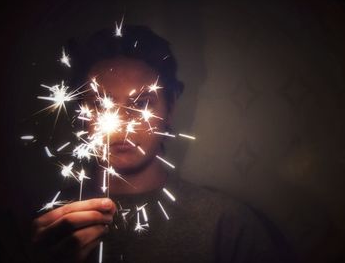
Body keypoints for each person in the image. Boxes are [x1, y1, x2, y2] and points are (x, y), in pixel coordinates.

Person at [31, 25, 296, 263]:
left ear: (170, 109)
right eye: (101, 104)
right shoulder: (49, 227)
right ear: (81, 113)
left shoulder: (226, 224)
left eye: (143, 103)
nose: (122, 123)